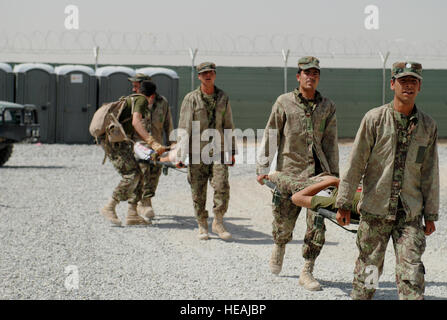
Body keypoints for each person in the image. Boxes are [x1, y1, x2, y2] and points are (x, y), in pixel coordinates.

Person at [335, 62, 439, 300]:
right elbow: (355, 163)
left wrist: (431, 214)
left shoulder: (428, 126)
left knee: (412, 273)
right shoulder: (375, 119)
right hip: (375, 211)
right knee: (369, 271)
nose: (408, 86)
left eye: (413, 82)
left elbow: (430, 172)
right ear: (393, 84)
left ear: (420, 86)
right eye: (403, 81)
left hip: (409, 213)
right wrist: (343, 202)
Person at [256, 56, 339, 291]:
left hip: (317, 174)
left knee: (318, 221)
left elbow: (331, 142)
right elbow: (272, 134)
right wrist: (262, 169)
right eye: (306, 73)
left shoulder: (328, 106)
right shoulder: (284, 103)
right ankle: (280, 245)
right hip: (289, 172)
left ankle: (307, 269)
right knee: (283, 220)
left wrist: (334, 177)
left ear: (318, 77)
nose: (310, 77)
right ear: (298, 76)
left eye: (315, 73)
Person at [175, 62, 236, 241]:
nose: (207, 75)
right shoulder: (191, 99)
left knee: (222, 185)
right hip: (196, 152)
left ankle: (218, 221)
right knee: (198, 189)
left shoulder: (223, 97)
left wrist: (231, 150)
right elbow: (184, 127)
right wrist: (180, 155)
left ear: (215, 75)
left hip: (217, 150)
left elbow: (228, 124)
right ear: (199, 77)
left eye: (210, 72)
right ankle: (202, 223)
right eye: (203, 73)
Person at [100, 80, 166, 226]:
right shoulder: (141, 100)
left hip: (118, 142)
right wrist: (152, 142)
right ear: (152, 96)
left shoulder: (131, 99)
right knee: (133, 174)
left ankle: (132, 213)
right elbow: (137, 123)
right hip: (114, 143)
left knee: (139, 174)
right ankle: (110, 206)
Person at [135, 81, 175, 221]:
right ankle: (144, 203)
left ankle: (145, 200)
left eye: (149, 97)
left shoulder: (162, 102)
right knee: (144, 170)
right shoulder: (137, 102)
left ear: (153, 95)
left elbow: (168, 123)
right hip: (140, 144)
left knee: (155, 173)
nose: (148, 99)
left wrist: (173, 143)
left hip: (157, 144)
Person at [267, 172, 360, 221]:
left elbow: (297, 198)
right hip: (341, 186)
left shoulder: (348, 204)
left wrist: (332, 181)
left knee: (279, 178)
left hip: (326, 189)